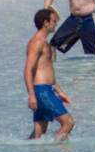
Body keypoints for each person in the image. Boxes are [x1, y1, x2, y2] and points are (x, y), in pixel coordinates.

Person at [24, 7, 74, 140]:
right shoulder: (37, 42)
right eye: (53, 21)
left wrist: (59, 91)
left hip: (45, 89)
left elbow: (46, 70)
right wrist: (32, 95)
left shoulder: (44, 42)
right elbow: (28, 69)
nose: (55, 24)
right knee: (68, 123)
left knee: (39, 133)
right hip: (42, 91)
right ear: (45, 23)